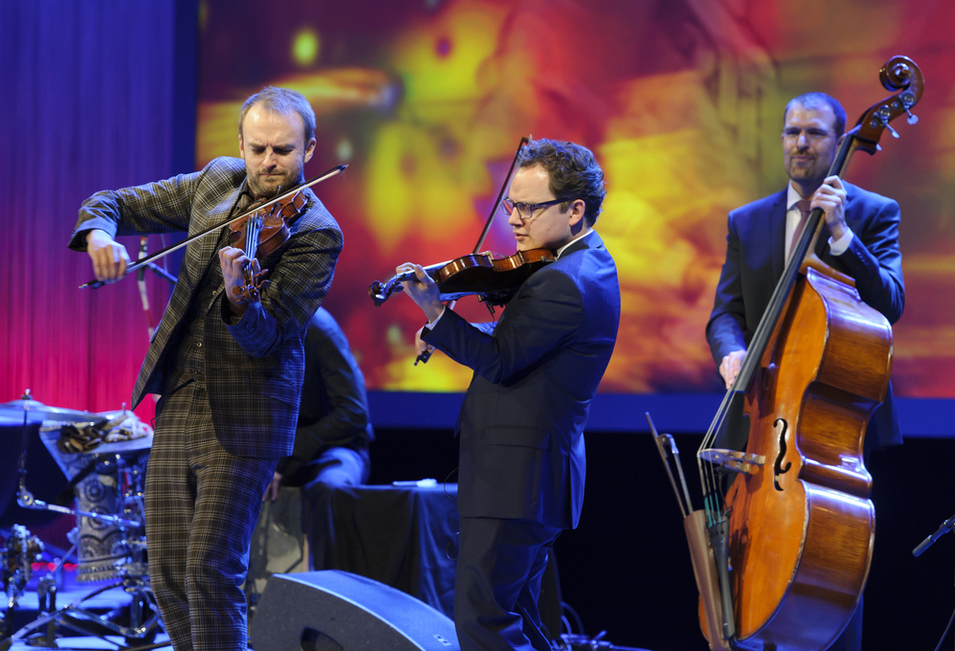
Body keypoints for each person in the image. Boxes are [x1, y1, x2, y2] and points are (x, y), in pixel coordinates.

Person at [69, 87, 342, 651]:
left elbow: (276, 336)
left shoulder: (316, 232)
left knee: (210, 572)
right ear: (240, 144)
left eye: (284, 151)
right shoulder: (217, 180)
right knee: (166, 574)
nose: (269, 162)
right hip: (179, 398)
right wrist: (101, 234)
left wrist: (241, 303)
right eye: (259, 148)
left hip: (247, 414)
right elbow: (115, 201)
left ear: (310, 148)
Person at [397, 138, 620, 651]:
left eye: (529, 207)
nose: (514, 219)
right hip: (529, 478)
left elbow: (501, 359)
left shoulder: (563, 281)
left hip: (516, 479)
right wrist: (448, 327)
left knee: (483, 621)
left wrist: (437, 313)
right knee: (515, 616)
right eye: (511, 205)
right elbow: (525, 343)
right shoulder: (584, 265)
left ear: (574, 209)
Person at [706, 92, 905, 651]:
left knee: (830, 566)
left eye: (814, 133)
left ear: (840, 142)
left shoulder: (873, 212)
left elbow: (889, 303)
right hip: (763, 418)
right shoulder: (747, 222)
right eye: (792, 131)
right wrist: (731, 350)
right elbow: (726, 312)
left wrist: (842, 234)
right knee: (746, 564)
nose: (800, 143)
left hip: (832, 430)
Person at [260, 306, 374, 568]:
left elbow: (354, 413)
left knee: (331, 488)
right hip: (276, 452)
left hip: (336, 450)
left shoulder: (319, 328)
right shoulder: (250, 324)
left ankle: (330, 594)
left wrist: (284, 457)